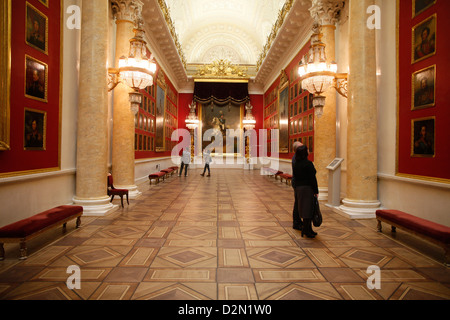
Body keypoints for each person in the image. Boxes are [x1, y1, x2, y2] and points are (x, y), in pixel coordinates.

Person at [293, 145, 319, 238]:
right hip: (307, 188)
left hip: (299, 188)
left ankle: (308, 229)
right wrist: (316, 190)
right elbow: (313, 178)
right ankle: (307, 230)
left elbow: (295, 177)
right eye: (307, 150)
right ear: (305, 152)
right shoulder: (308, 164)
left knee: (303, 208)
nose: (309, 151)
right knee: (308, 209)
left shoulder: (296, 164)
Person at [291, 141, 303, 230]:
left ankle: (298, 221)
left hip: (298, 183)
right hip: (298, 183)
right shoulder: (296, 158)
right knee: (298, 203)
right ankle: (296, 222)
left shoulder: (298, 157)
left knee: (299, 203)